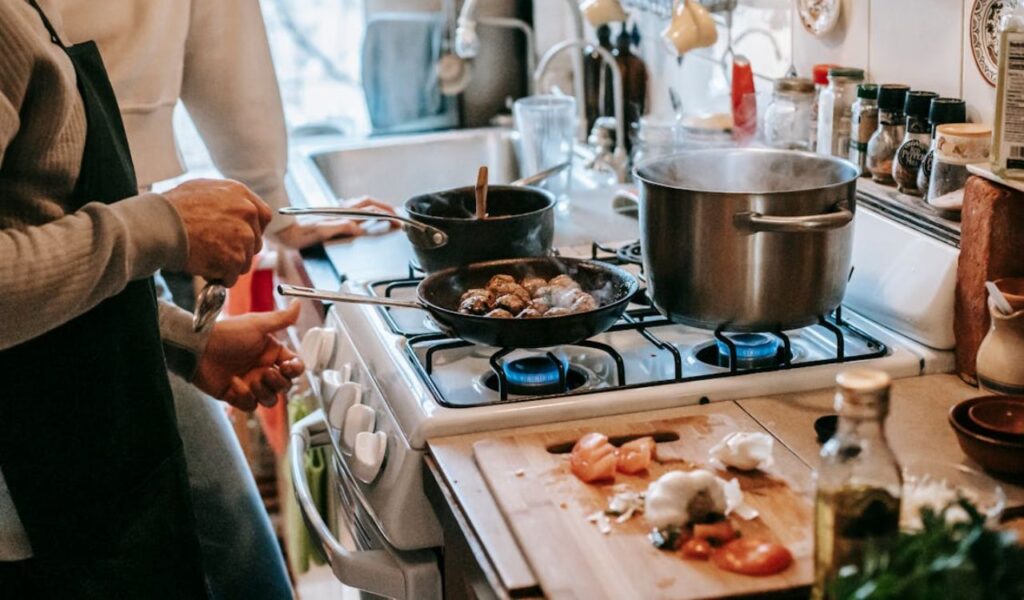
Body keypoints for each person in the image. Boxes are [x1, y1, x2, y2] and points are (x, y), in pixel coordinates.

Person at [0, 1, 303, 596]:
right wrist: (158, 226)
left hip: (81, 381)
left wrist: (176, 339)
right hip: (32, 479)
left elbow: (26, 218)